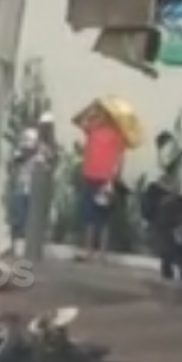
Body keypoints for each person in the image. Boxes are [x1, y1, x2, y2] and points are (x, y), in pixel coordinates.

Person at [72, 101, 126, 260]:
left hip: (106, 179)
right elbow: (77, 120)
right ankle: (89, 250)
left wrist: (117, 176)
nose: (100, 116)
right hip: (90, 175)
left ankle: (102, 253)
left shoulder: (117, 133)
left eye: (103, 114)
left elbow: (120, 156)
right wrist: (91, 108)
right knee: (89, 215)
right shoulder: (92, 129)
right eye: (99, 114)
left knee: (104, 217)